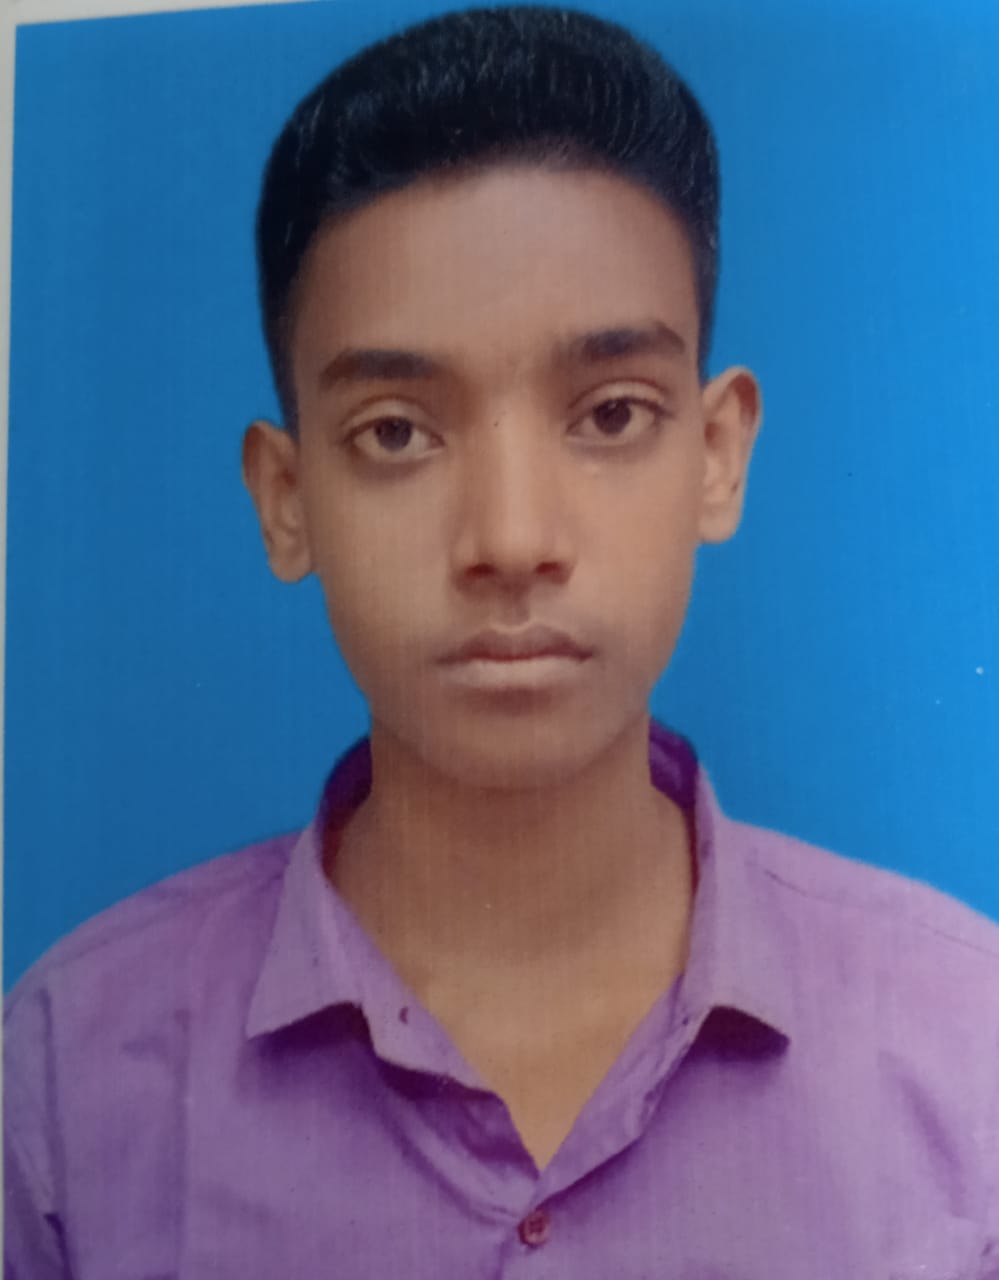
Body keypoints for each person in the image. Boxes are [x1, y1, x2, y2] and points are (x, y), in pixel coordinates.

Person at [5, 6, 999, 1276]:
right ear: (286, 498)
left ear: (717, 454)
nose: (512, 538)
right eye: (398, 432)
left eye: (610, 413)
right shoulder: (66, 1081)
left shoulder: (967, 1056)